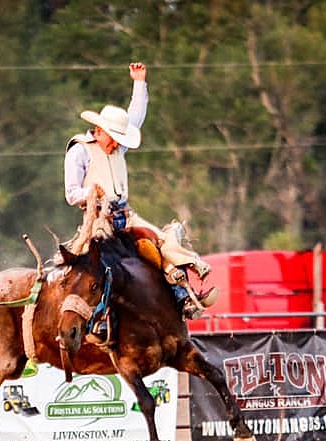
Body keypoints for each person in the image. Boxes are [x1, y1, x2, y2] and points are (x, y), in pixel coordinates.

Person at [63, 61, 217, 320]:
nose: (116, 145)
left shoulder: (116, 145)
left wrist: (139, 82)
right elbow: (71, 193)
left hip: (126, 214)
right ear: (99, 131)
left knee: (162, 242)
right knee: (88, 265)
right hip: (99, 219)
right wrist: (91, 192)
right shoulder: (80, 151)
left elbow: (135, 116)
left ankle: (184, 295)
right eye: (113, 138)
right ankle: (90, 316)